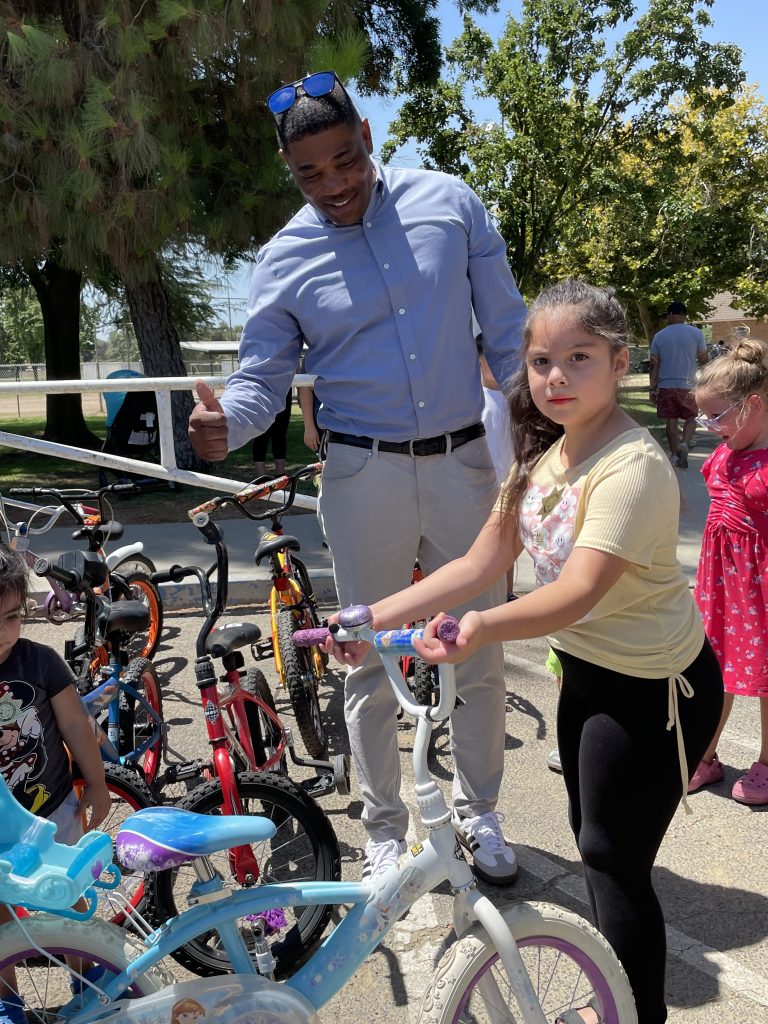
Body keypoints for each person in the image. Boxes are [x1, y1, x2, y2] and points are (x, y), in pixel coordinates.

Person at [328, 280, 724, 1024]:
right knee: (595, 847)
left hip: (656, 691)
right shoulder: (543, 456)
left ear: (618, 361)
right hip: (586, 675)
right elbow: (477, 565)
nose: (557, 377)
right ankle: (618, 998)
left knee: (614, 862)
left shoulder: (630, 466)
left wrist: (478, 629)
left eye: (579, 358)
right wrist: (369, 613)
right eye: (542, 361)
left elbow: (575, 593)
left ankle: (637, 1014)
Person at [187, 70, 527, 884]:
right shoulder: (283, 258)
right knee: (365, 650)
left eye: (345, 159)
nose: (335, 184)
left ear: (367, 135)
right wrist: (225, 425)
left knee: (477, 646)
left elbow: (509, 331)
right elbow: (261, 379)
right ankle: (382, 826)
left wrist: (548, 435)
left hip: (466, 465)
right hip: (361, 472)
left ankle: (480, 813)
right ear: (290, 171)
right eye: (311, 173)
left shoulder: (451, 204)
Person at [0, 544, 111, 1024]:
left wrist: (99, 783)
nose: (1, 633)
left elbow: (74, 727)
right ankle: (6, 1000)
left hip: (52, 807)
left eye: (9, 617)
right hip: (2, 825)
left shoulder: (40, 661)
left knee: (68, 896)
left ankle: (86, 976)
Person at [687, 338, 768, 805]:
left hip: (760, 586)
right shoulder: (727, 449)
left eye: (715, 416)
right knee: (713, 669)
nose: (708, 426)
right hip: (719, 583)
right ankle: (705, 754)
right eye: (704, 416)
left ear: (752, 404)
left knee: (765, 675)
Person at [477, 334, 515, 601]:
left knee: (507, 544)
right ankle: (493, 595)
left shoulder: (515, 398)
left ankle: (507, 593)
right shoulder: (477, 401)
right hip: (484, 484)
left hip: (511, 480)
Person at [649, 300, 708, 469]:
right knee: (691, 417)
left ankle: (675, 454)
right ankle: (685, 443)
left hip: (667, 385)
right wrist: (709, 379)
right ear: (684, 315)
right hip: (689, 385)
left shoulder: (659, 336)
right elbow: (704, 359)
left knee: (671, 419)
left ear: (670, 315)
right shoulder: (696, 334)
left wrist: (652, 388)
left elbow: (655, 364)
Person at [251, 386, 292, 477]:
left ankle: (280, 475)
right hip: (262, 389)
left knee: (280, 434)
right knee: (261, 434)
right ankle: (261, 478)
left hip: (284, 390)